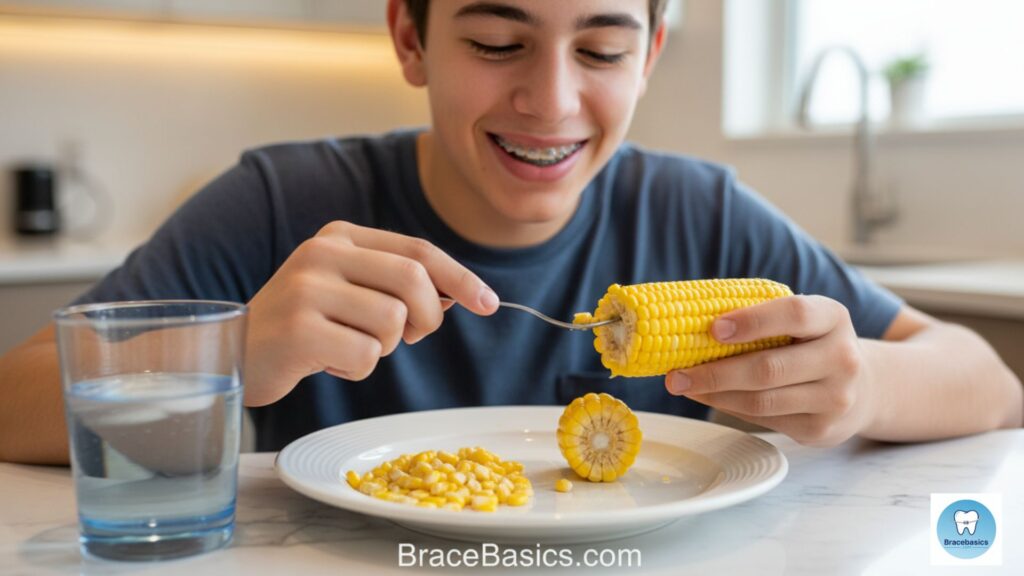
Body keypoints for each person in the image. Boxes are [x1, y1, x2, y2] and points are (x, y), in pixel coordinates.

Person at [0, 0, 1020, 464]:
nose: (550, 99)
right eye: (496, 41)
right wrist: (232, 352)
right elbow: (12, 402)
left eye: (603, 48)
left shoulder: (699, 213)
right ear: (410, 37)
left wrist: (863, 387)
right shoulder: (282, 200)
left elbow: (987, 379)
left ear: (650, 55)